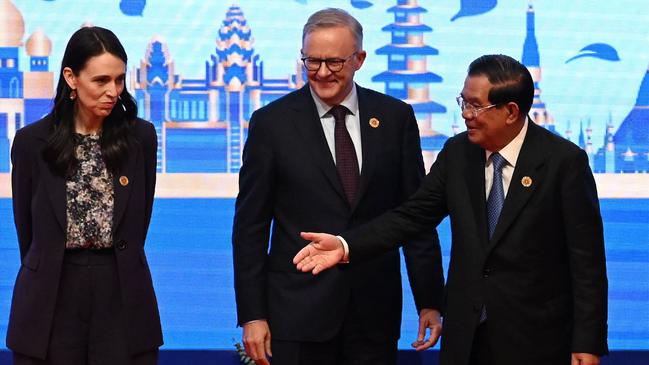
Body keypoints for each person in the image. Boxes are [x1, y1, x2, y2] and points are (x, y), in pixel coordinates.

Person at [294, 54, 608, 365]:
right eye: (463, 102)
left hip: (537, 339)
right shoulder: (458, 154)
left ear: (511, 111)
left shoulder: (563, 163)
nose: (466, 114)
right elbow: (411, 216)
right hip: (466, 338)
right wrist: (346, 245)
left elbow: (587, 263)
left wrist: (587, 341)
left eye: (475, 106)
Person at [232, 7, 444, 365]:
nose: (322, 73)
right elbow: (250, 226)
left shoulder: (395, 118)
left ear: (359, 59)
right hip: (297, 313)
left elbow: (415, 218)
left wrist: (430, 300)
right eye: (312, 62)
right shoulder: (272, 124)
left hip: (374, 313)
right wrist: (253, 315)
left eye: (334, 62)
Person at [8, 26, 162, 364]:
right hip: (52, 291)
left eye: (119, 80)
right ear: (71, 78)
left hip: (120, 290)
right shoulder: (32, 142)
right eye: (101, 80)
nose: (113, 91)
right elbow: (27, 232)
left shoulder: (141, 138)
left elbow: (139, 221)